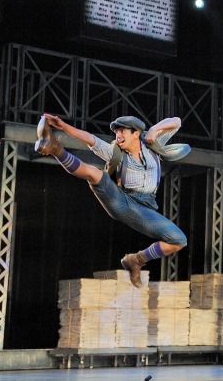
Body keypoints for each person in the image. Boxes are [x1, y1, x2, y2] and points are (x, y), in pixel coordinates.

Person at [34, 114, 190, 288]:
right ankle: (55, 148)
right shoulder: (115, 151)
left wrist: (154, 129)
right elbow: (90, 139)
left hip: (147, 207)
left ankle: (136, 260)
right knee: (94, 173)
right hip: (122, 201)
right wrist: (63, 126)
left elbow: (176, 121)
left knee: (178, 240)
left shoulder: (152, 143)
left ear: (136, 133)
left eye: (122, 131)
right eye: (116, 132)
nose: (118, 136)